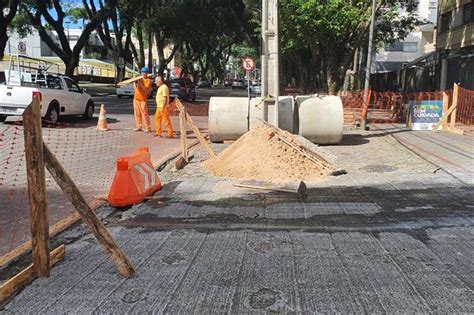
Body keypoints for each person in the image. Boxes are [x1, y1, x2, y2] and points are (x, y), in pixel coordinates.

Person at [133, 67, 152, 132]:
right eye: (142, 72)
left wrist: (139, 82)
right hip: (136, 98)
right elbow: (135, 89)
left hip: (142, 99)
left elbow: (144, 89)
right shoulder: (139, 79)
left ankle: (148, 127)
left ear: (147, 74)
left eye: (145, 72)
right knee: (137, 113)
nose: (143, 74)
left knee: (144, 113)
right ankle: (139, 126)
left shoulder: (148, 80)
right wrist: (135, 83)